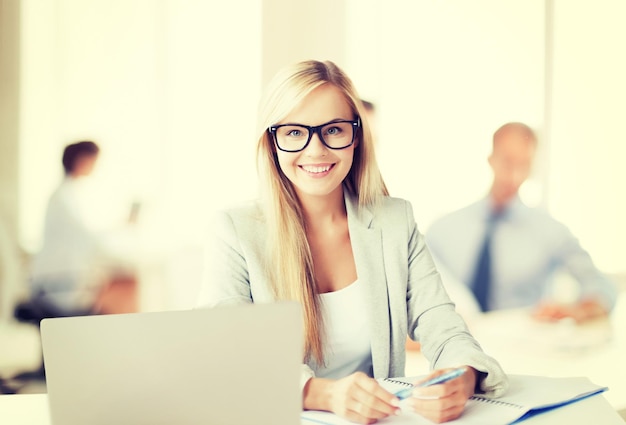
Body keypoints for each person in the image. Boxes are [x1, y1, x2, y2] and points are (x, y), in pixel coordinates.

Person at [197, 60, 508, 424]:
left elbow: (441, 323)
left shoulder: (395, 221)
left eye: (333, 129)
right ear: (271, 140)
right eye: (295, 132)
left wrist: (462, 375)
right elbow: (225, 352)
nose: (316, 150)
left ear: (356, 135)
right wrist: (324, 394)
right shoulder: (235, 230)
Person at [425, 122, 617, 323]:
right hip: (453, 343)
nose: (514, 176)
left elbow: (601, 284)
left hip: (523, 347)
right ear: (491, 159)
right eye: (508, 162)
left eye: (524, 165)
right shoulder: (442, 230)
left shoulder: (550, 231)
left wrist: (582, 309)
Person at [20, 141, 137, 322]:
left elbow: (85, 238)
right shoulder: (63, 198)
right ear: (81, 160)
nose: (95, 166)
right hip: (58, 287)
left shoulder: (67, 195)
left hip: (62, 281)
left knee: (117, 287)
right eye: (93, 160)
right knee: (124, 291)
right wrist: (123, 228)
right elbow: (89, 239)